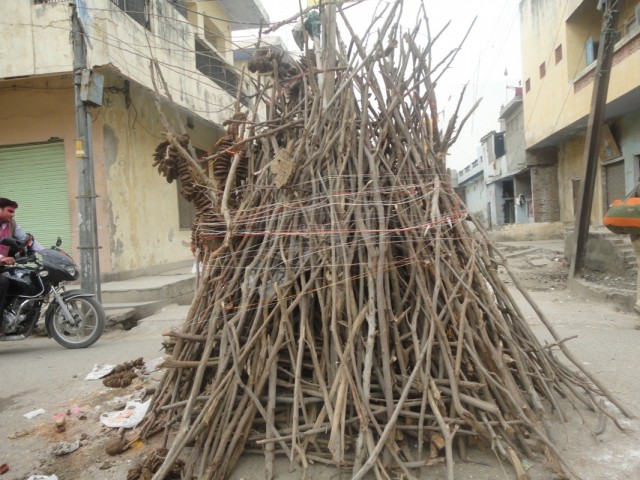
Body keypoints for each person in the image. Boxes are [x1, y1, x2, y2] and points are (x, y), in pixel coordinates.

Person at [0, 198, 44, 328]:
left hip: (1, 265)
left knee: (23, 276)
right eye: (9, 211)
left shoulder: (11, 224)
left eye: (13, 212)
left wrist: (46, 253)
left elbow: (26, 240)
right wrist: (1, 258)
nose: (12, 214)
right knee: (2, 282)